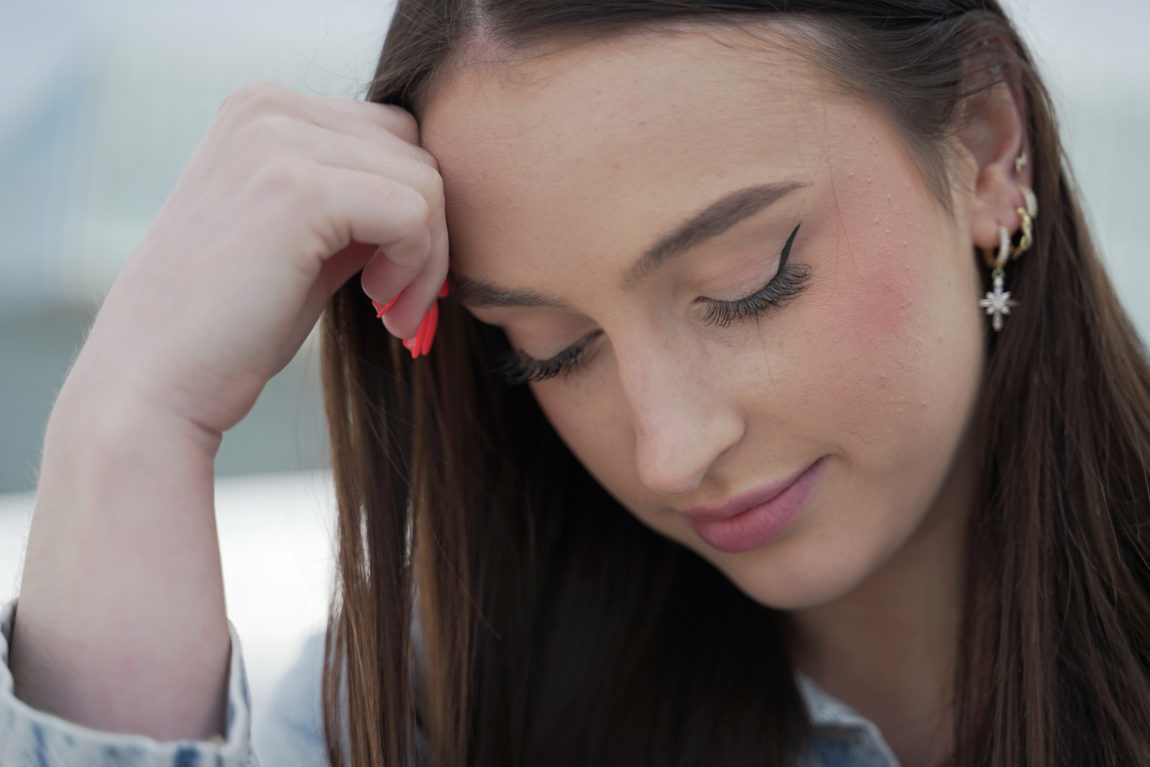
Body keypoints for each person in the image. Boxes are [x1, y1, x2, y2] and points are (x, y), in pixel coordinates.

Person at [2, 0, 1149, 765]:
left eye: (747, 285)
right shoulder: (428, 708)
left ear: (986, 141)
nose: (668, 448)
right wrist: (131, 419)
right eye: (549, 347)